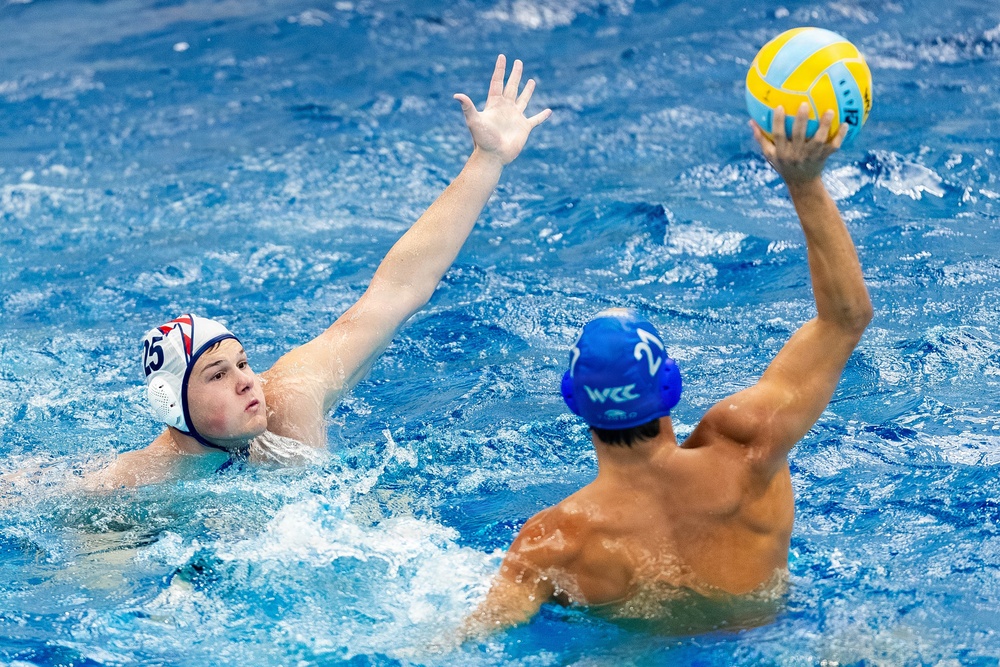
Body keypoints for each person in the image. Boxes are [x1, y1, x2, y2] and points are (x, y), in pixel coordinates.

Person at [462, 104, 873, 636]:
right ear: (671, 386)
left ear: (574, 401)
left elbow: (469, 641)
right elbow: (845, 319)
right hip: (781, 635)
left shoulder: (555, 542)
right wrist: (804, 181)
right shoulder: (747, 448)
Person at [88, 55, 551, 489]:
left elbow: (397, 290)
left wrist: (487, 160)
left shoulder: (291, 396)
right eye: (217, 375)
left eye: (243, 363)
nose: (247, 381)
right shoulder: (130, 485)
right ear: (171, 403)